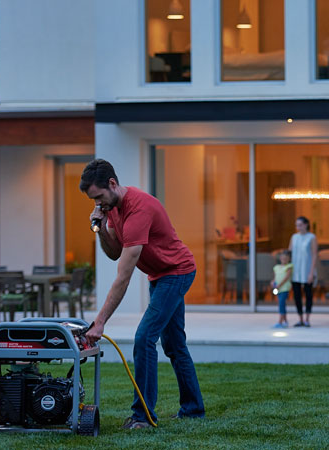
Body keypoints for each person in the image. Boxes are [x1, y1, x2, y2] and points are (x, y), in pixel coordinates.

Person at [80, 159, 205, 430]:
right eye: (94, 201)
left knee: (144, 338)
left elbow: (123, 275)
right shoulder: (111, 208)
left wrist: (100, 321)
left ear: (112, 184)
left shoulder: (139, 207)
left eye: (100, 197)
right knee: (173, 344)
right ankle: (194, 409)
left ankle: (143, 417)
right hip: (159, 275)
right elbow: (114, 251)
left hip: (177, 271)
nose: (98, 204)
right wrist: (100, 227)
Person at [289, 216, 318, 327]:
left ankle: (307, 319)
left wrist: (311, 272)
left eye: (300, 225)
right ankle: (300, 318)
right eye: (297, 225)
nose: (298, 227)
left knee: (308, 294)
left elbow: (314, 255)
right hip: (296, 269)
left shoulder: (311, 237)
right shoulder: (294, 237)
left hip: (306, 269)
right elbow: (289, 253)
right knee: (297, 295)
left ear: (306, 225)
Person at [271, 250, 293, 328]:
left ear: (289, 259)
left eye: (286, 258)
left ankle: (280, 322)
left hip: (284, 289)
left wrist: (279, 285)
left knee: (281, 304)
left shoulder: (289, 266)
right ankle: (285, 321)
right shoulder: (276, 267)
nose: (284, 259)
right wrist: (273, 282)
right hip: (278, 289)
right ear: (280, 258)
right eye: (282, 258)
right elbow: (275, 277)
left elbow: (286, 277)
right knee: (281, 304)